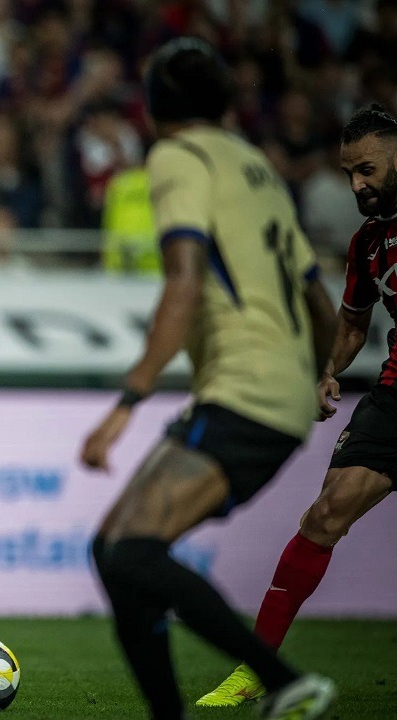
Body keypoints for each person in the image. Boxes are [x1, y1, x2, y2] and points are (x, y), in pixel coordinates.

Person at [78, 39, 339, 720]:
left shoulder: (178, 157)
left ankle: (281, 681)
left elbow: (184, 279)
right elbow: (319, 301)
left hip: (242, 389)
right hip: (281, 393)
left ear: (153, 107)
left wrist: (128, 401)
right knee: (116, 552)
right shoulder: (258, 167)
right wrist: (318, 377)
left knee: (129, 551)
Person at [196, 104, 397, 707]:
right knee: (325, 514)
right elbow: (353, 325)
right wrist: (324, 370)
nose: (356, 185)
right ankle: (257, 671)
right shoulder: (368, 244)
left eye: (366, 170)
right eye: (349, 173)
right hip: (395, 395)